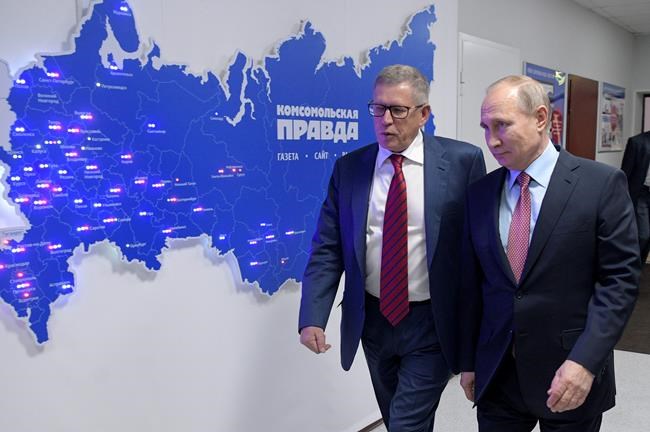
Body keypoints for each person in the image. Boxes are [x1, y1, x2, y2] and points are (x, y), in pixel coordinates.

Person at [299, 64, 485, 431]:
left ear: (423, 114)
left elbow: (479, 248)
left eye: (398, 110)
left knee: (405, 424)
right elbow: (328, 247)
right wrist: (312, 316)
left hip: (433, 321)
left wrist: (481, 332)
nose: (385, 120)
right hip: (373, 320)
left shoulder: (463, 162)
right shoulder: (350, 168)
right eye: (378, 108)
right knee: (396, 416)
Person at [459, 75, 640, 432]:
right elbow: (472, 283)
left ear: (541, 118)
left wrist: (585, 362)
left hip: (570, 371)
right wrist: (469, 360)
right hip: (498, 372)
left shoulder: (600, 184)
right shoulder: (480, 193)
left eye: (502, 125)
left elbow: (618, 282)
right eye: (485, 128)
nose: (491, 140)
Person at [621, 130, 650, 264]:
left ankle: (639, 265)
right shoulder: (637, 142)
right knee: (643, 235)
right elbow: (625, 173)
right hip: (641, 195)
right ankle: (631, 264)